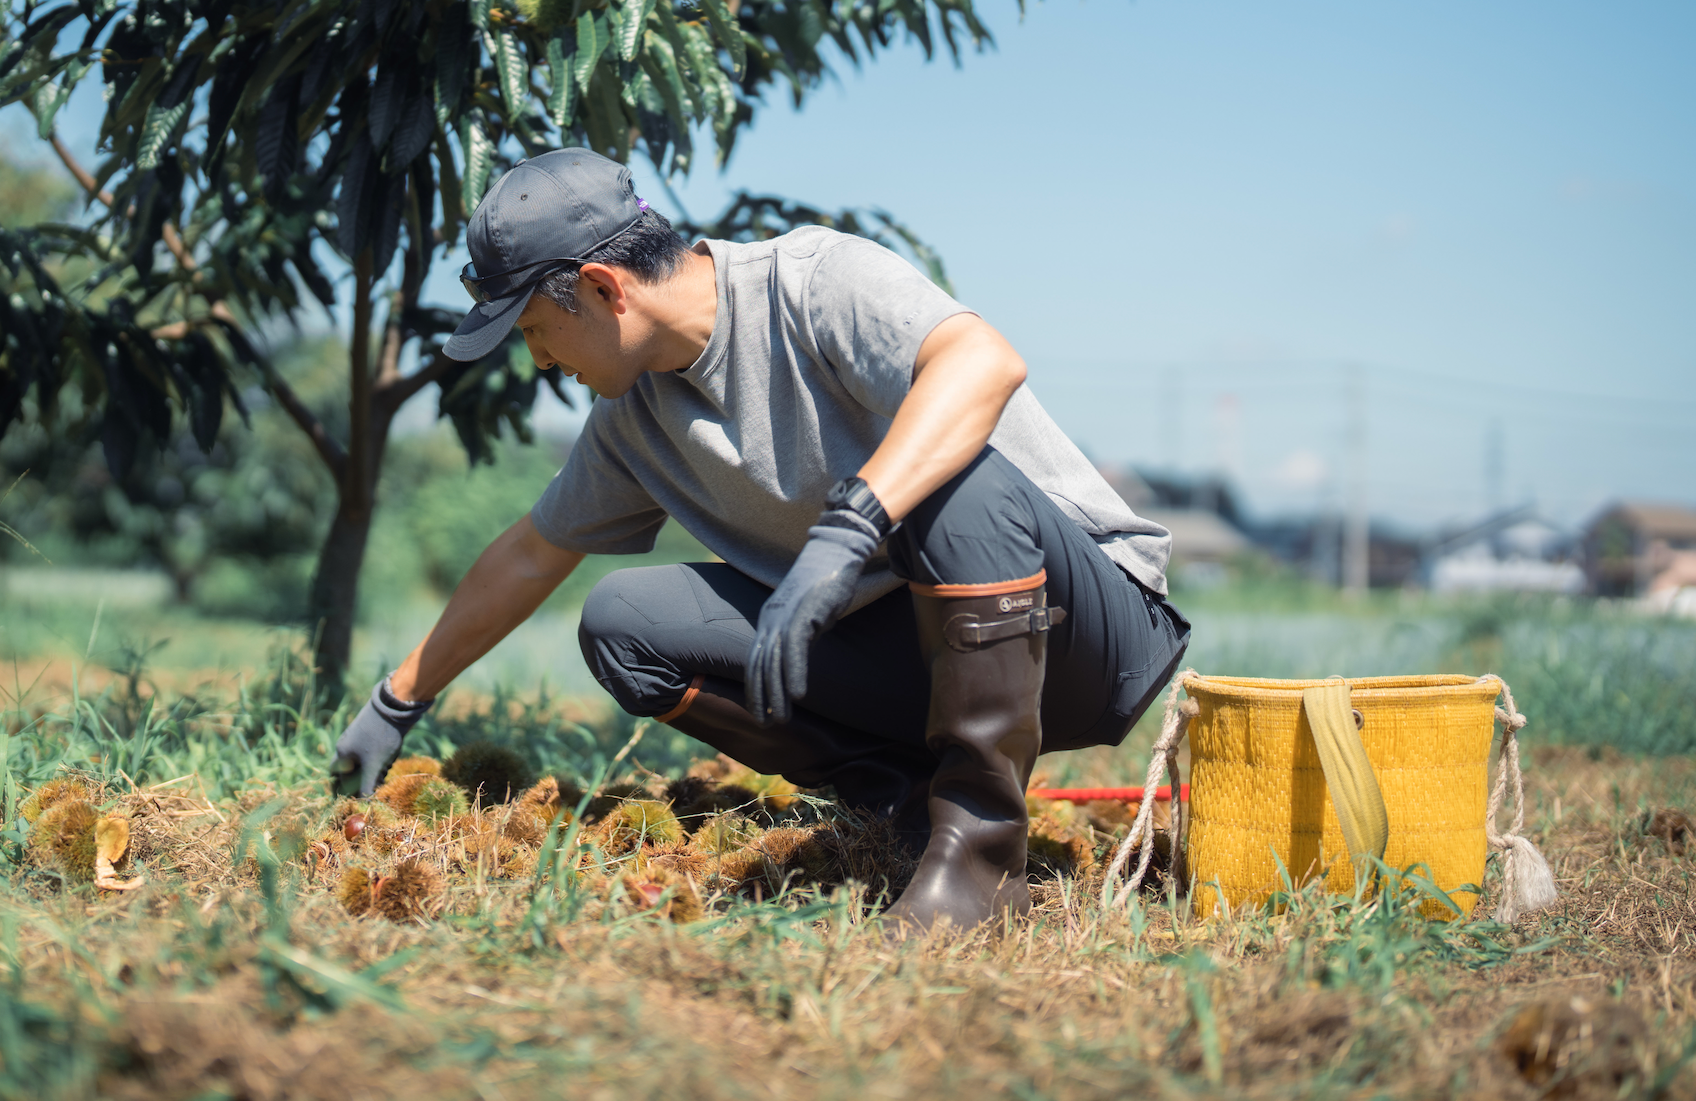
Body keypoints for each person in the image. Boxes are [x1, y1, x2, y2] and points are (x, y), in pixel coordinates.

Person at [334, 148, 1189, 933]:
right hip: (920, 646)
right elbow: (531, 553)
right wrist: (397, 699)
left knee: (941, 475)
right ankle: (908, 806)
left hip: (1080, 627)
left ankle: (981, 861)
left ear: (603, 288)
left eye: (533, 333)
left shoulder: (817, 283)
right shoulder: (633, 420)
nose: (541, 362)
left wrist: (851, 528)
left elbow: (984, 362)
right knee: (622, 620)